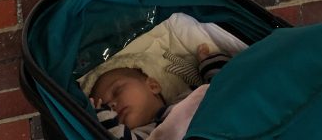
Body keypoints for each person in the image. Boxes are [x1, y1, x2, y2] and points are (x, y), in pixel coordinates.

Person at [90, 45, 229, 140]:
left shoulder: (187, 97)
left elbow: (225, 87)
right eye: (105, 107)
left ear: (153, 85)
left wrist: (209, 62)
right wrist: (102, 121)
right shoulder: (141, 135)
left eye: (117, 91)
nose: (112, 105)